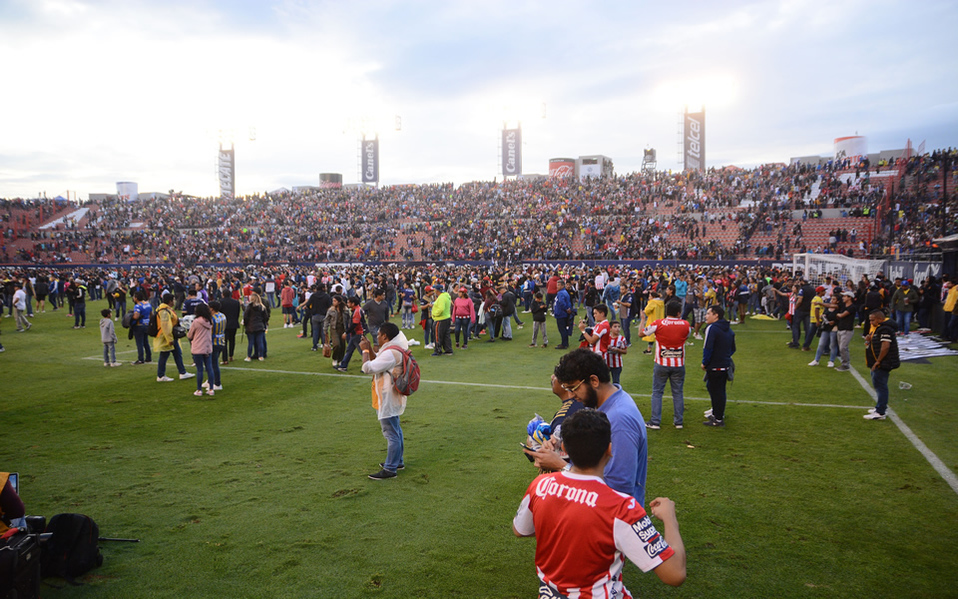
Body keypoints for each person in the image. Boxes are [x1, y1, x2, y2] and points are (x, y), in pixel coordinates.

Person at [512, 409, 686, 598]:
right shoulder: (622, 508)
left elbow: (520, 530)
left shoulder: (540, 485)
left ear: (565, 450)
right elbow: (675, 574)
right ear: (609, 450)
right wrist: (670, 519)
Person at [526, 348, 648, 505]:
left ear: (594, 381)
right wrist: (561, 445)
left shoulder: (619, 419)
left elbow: (618, 488)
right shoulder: (609, 402)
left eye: (573, 388)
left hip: (613, 520)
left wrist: (561, 466)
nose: (571, 396)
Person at [359, 322, 409, 480]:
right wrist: (370, 349)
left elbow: (367, 368)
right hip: (393, 395)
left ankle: (390, 469)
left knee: (391, 433)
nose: (377, 337)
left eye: (379, 335)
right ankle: (397, 462)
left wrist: (365, 350)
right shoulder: (393, 348)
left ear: (385, 337)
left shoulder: (390, 353)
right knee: (396, 429)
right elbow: (377, 363)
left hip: (388, 397)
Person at [643, 300, 691, 430]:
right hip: (679, 363)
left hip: (661, 363)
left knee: (657, 392)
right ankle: (678, 421)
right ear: (678, 312)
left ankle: (655, 421)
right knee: (678, 393)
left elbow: (643, 333)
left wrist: (643, 320)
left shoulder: (659, 323)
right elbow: (687, 336)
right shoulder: (685, 324)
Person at [702, 305, 735, 427]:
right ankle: (717, 412)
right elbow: (733, 348)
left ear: (716, 315)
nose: (706, 316)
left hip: (715, 365)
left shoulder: (712, 328)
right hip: (724, 365)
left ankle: (718, 418)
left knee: (716, 390)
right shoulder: (728, 329)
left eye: (708, 313)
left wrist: (705, 362)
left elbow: (708, 348)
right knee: (718, 389)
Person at [864, 309, 900, 420]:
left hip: (884, 362)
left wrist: (878, 361)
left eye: (872, 320)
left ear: (880, 319)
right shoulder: (879, 328)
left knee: (881, 386)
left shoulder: (885, 329)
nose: (871, 322)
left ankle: (880, 412)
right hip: (879, 362)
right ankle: (880, 407)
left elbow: (885, 346)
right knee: (878, 384)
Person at [154, 292, 195, 382]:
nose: (174, 301)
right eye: (173, 300)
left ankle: (182, 372)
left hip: (170, 336)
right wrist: (169, 339)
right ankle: (161, 375)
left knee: (176, 354)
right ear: (169, 301)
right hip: (167, 337)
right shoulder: (164, 311)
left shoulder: (166, 309)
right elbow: (165, 325)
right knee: (165, 355)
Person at [187, 302, 215, 397]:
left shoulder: (196, 322)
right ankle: (211, 389)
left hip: (198, 347)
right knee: (209, 368)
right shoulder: (210, 321)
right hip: (207, 347)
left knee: (199, 369)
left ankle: (199, 390)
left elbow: (190, 335)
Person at [336, 296, 366, 372]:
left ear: (353, 303)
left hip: (357, 333)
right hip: (356, 333)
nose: (347, 304)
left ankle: (367, 366)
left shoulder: (357, 311)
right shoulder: (357, 310)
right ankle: (343, 366)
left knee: (362, 351)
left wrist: (346, 332)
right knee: (349, 350)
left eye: (349, 302)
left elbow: (355, 324)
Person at [208, 300, 226, 390]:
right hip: (221, 341)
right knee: (213, 363)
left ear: (211, 309)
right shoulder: (222, 315)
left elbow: (210, 332)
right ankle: (209, 380)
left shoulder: (212, 318)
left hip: (214, 342)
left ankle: (217, 383)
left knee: (213, 364)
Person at [552, 278, 575, 349]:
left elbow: (562, 303)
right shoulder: (565, 292)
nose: (557, 286)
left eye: (558, 285)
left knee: (562, 329)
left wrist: (566, 309)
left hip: (561, 314)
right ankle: (565, 343)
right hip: (563, 313)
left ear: (562, 285)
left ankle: (564, 344)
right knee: (563, 329)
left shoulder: (561, 293)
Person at [605, 321, 628, 385]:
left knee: (616, 382)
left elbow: (625, 351)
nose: (617, 328)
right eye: (615, 327)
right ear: (610, 329)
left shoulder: (622, 339)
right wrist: (607, 347)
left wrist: (617, 350)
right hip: (606, 363)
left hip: (617, 364)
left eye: (619, 327)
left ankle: (616, 394)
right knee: (606, 382)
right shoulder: (606, 338)